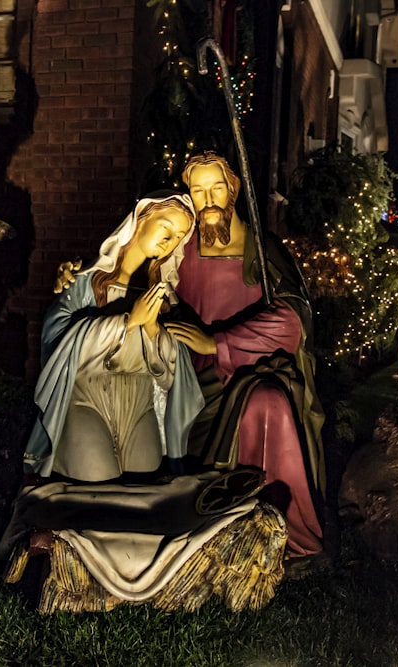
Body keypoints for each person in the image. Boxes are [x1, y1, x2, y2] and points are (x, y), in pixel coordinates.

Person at [163, 152, 327, 560]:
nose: (209, 199)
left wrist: (217, 343)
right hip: (188, 380)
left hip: (250, 370)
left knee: (267, 402)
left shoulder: (261, 249)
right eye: (198, 192)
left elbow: (292, 320)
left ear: (233, 190)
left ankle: (286, 533)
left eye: (216, 187)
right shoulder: (176, 251)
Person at [23, 192, 202, 483]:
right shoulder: (85, 282)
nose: (170, 240)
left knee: (143, 485)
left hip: (139, 406)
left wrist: (154, 331)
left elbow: (172, 376)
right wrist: (130, 323)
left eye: (178, 236)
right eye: (166, 227)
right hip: (87, 401)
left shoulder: (165, 299)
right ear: (140, 219)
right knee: (95, 477)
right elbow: (56, 344)